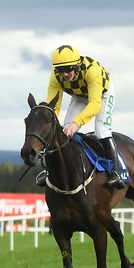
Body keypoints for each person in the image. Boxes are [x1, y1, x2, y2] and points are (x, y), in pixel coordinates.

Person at [43, 45, 124, 189]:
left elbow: (95, 104)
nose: (65, 74)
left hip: (101, 94)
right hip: (79, 96)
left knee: (101, 130)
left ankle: (116, 172)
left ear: (77, 65)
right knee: (64, 131)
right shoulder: (55, 77)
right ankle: (51, 171)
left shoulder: (92, 71)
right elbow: (53, 107)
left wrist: (76, 123)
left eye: (69, 69)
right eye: (61, 70)